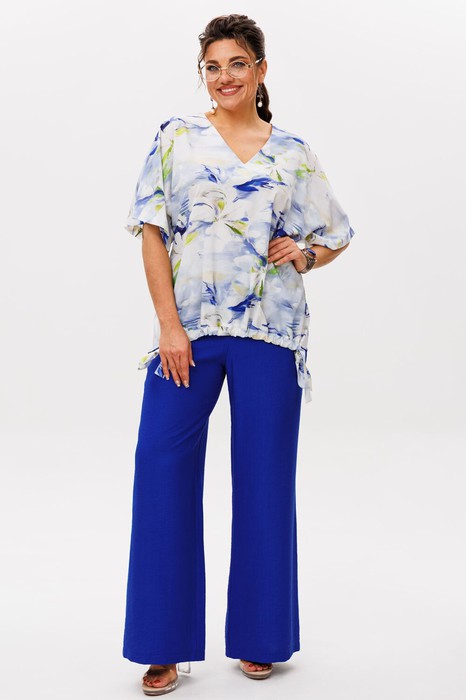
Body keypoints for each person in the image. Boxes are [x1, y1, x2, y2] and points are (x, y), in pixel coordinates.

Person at [122, 13, 356, 696]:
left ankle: (260, 637)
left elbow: (336, 233)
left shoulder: (293, 153)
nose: (224, 77)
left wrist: (304, 254)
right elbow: (152, 231)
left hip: (271, 332)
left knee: (264, 482)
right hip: (188, 334)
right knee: (160, 467)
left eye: (237, 64)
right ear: (204, 74)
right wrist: (169, 326)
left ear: (260, 70)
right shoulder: (176, 139)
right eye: (213, 66)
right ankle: (163, 645)